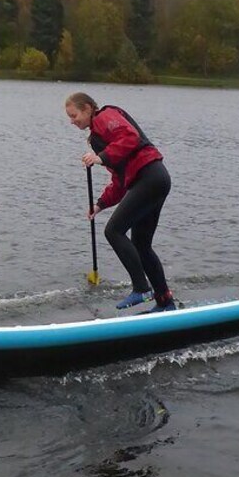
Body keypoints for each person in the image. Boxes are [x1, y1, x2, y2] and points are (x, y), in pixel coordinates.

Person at [65, 92, 176, 312]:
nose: (72, 121)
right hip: (149, 181)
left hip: (151, 177)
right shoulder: (96, 138)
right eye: (69, 117)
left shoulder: (105, 116)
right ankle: (165, 303)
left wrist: (101, 157)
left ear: (88, 108)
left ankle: (142, 288)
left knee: (113, 231)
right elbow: (119, 179)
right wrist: (100, 204)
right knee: (142, 245)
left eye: (74, 115)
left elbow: (130, 136)